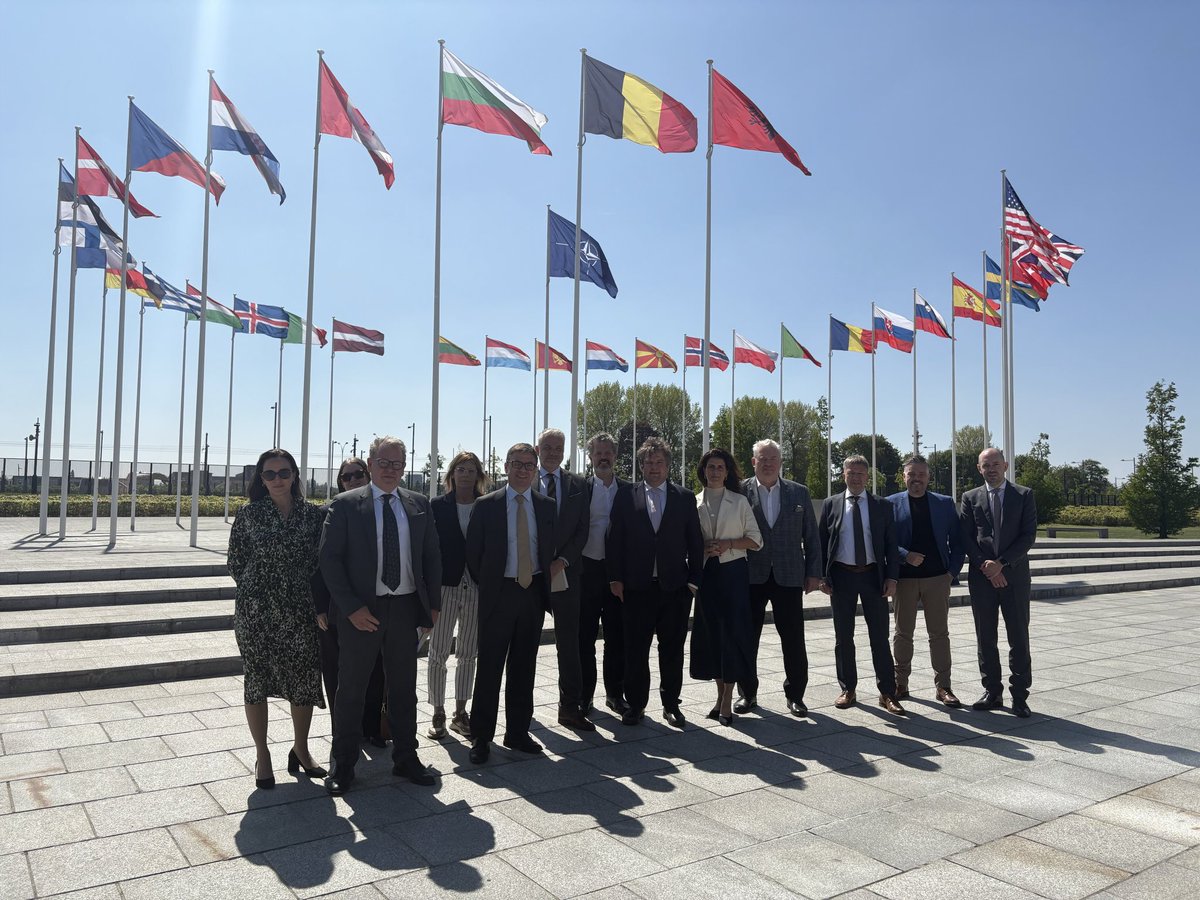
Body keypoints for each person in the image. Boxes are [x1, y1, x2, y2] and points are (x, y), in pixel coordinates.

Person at [319, 436, 442, 794]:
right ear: (370, 464)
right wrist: (351, 608)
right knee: (351, 689)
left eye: (397, 463)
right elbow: (329, 560)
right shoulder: (345, 505)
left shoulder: (418, 504)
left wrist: (432, 606)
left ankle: (406, 757)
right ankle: (344, 764)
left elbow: (432, 555)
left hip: (404, 608)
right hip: (362, 611)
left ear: (404, 467)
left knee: (404, 688)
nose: (390, 469)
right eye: (384, 463)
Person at [227, 448, 327, 790]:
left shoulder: (312, 516)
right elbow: (236, 561)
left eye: (284, 472)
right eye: (269, 474)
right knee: (256, 680)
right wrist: (259, 588)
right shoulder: (249, 514)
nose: (277, 479)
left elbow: (320, 561)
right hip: (255, 612)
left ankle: (301, 748)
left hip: (299, 609)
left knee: (303, 679)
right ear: (261, 479)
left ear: (295, 475)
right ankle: (263, 754)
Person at [466, 443, 557, 764]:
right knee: (489, 668)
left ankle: (517, 732)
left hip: (531, 594)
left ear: (535, 470)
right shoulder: (486, 505)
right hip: (498, 594)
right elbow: (473, 554)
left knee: (524, 667)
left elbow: (548, 548)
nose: (522, 470)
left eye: (529, 465)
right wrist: (491, 584)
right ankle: (481, 737)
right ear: (506, 467)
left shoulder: (546, 506)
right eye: (517, 464)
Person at [606, 437, 704, 728]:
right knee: (635, 650)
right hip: (636, 588)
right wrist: (615, 578)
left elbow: (695, 542)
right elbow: (614, 539)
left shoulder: (684, 497)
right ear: (641, 466)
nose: (654, 467)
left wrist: (693, 583)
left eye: (659, 462)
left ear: (668, 466)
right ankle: (636, 705)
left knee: (672, 650)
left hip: (675, 589)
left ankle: (671, 705)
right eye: (648, 462)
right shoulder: (626, 495)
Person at [737, 439, 823, 717]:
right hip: (751, 576)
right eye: (763, 459)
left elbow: (811, 536)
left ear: (780, 462)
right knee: (747, 638)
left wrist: (814, 573)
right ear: (754, 462)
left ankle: (795, 695)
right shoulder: (739, 492)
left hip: (789, 575)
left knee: (793, 639)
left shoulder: (799, 492)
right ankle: (747, 694)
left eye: (773, 458)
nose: (768, 463)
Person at [818, 454, 905, 715]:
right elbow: (822, 543)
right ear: (843, 475)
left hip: (873, 577)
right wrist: (822, 576)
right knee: (843, 636)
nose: (855, 478)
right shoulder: (831, 504)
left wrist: (892, 578)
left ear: (868, 477)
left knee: (879, 636)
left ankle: (887, 692)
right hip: (841, 577)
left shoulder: (881, 506)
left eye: (860, 473)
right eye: (851, 473)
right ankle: (848, 689)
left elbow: (891, 544)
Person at [313, 458, 389, 749]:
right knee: (336, 672)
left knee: (376, 669)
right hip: (336, 607)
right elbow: (319, 563)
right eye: (347, 476)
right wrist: (320, 606)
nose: (354, 479)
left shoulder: (381, 508)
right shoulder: (327, 512)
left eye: (359, 474)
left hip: (374, 604)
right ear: (340, 482)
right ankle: (342, 730)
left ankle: (372, 728)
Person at [959, 447, 1038, 717]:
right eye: (986, 465)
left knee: (1019, 637)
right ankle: (992, 691)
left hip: (1015, 577)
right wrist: (988, 567)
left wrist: (1001, 564)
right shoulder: (970, 497)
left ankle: (1020, 695)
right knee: (986, 637)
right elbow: (966, 537)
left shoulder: (1024, 495)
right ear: (979, 469)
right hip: (982, 578)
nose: (991, 469)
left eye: (995, 464)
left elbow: (1028, 536)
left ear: (1005, 466)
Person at [887, 454, 966, 707]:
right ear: (903, 476)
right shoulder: (890, 504)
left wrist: (951, 573)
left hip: (937, 579)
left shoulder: (944, 503)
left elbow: (958, 542)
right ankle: (900, 683)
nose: (916, 479)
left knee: (939, 634)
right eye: (911, 474)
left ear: (928, 476)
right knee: (902, 634)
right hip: (904, 580)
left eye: (921, 474)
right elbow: (884, 541)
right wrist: (905, 555)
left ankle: (944, 686)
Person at [691, 449, 762, 726]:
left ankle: (728, 698)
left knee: (731, 635)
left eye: (720, 467)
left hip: (733, 573)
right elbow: (688, 541)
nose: (715, 471)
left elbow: (756, 540)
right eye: (711, 467)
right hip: (707, 574)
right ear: (703, 470)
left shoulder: (739, 501)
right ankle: (720, 694)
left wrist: (729, 543)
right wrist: (703, 549)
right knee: (712, 637)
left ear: (727, 471)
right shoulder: (694, 501)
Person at [426, 451, 489, 740]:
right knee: (438, 651)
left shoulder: (486, 505)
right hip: (445, 586)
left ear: (478, 475)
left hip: (476, 585)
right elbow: (429, 548)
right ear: (452, 474)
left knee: (468, 653)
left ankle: (460, 712)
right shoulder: (437, 506)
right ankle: (437, 711)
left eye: (471, 470)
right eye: (460, 469)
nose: (465, 474)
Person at [536, 428, 595, 732]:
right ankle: (520, 709)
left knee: (569, 644)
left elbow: (583, 530)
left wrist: (562, 561)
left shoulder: (578, 484)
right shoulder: (523, 479)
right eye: (547, 447)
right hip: (529, 576)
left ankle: (570, 708)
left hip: (566, 573)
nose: (553, 452)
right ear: (538, 449)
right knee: (523, 644)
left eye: (558, 448)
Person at [578, 432, 629, 716]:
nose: (603, 458)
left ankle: (615, 694)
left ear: (615, 456)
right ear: (590, 457)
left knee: (616, 638)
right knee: (584, 638)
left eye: (608, 452)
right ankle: (584, 696)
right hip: (586, 571)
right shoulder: (579, 489)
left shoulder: (629, 491)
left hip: (618, 574)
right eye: (598, 453)